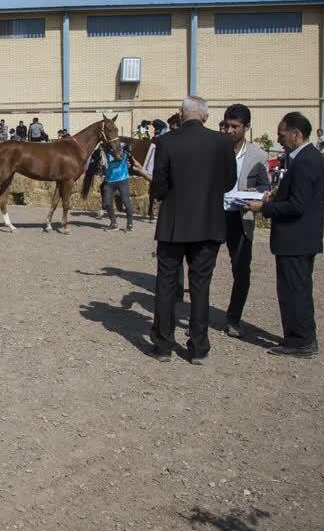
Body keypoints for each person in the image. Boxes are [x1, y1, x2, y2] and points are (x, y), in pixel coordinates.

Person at [149, 96, 237, 364]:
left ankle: (163, 345)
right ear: (206, 117)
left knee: (166, 284)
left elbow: (159, 186)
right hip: (208, 223)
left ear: (181, 114)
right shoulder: (222, 142)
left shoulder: (166, 141)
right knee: (200, 286)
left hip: (173, 224)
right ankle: (198, 347)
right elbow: (229, 181)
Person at [245, 112, 324, 357]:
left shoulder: (305, 162)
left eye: (282, 135)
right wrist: (276, 196)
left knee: (294, 291)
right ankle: (300, 336)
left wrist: (264, 207)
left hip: (296, 239)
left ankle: (301, 341)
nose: (280, 140)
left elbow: (297, 206)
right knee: (297, 289)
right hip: (301, 239)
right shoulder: (309, 159)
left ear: (296, 134)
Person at [220, 104, 270, 338]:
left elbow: (265, 187)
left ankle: (233, 318)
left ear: (246, 128)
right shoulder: (215, 150)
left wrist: (256, 193)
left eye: (234, 127)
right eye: (226, 125)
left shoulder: (259, 156)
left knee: (241, 270)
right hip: (215, 215)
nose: (229, 131)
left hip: (241, 218)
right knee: (202, 266)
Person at [100, 140, 138, 232]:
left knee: (126, 201)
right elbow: (103, 164)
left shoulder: (123, 148)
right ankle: (113, 223)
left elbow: (121, 157)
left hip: (122, 179)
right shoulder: (104, 151)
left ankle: (129, 224)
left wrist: (123, 155)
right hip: (109, 181)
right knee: (107, 203)